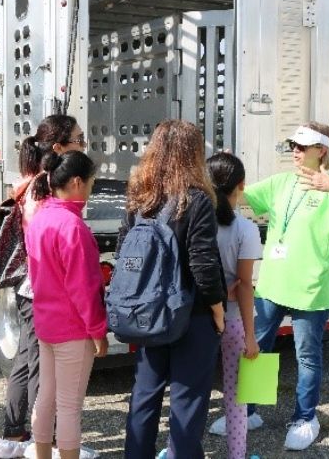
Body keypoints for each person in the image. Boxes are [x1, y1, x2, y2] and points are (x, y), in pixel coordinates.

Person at [243, 121, 329, 451]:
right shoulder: (280, 182)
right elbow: (242, 195)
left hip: (311, 289)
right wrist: (225, 171)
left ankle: (305, 418)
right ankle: (249, 412)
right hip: (272, 285)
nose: (295, 150)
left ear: (321, 151)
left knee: (307, 357)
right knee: (257, 350)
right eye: (293, 144)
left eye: (302, 146)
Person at [121, 119, 226, 459]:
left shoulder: (139, 197)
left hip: (147, 312)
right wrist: (217, 310)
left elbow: (124, 253)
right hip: (190, 314)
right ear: (193, 154)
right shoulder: (196, 200)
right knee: (187, 399)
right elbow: (204, 264)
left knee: (145, 395)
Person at [0, 115, 91, 459]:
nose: (82, 145)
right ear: (60, 148)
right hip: (46, 297)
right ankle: (33, 441)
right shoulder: (44, 197)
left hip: (33, 290)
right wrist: (96, 327)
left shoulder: (29, 187)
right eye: (79, 140)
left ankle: (16, 435)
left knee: (28, 361)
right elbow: (72, 273)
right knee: (47, 381)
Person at [25, 150, 108, 459]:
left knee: (46, 397)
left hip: (46, 322)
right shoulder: (73, 226)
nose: (90, 190)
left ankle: (43, 454)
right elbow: (84, 288)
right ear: (76, 182)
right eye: (90, 184)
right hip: (73, 327)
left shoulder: (41, 216)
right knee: (70, 405)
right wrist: (98, 329)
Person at [204, 152, 262, 458]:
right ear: (241, 185)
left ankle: (179, 450)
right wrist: (252, 337)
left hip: (198, 318)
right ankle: (236, 455)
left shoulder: (195, 222)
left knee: (191, 392)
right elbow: (244, 286)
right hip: (235, 321)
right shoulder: (246, 229)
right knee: (237, 396)